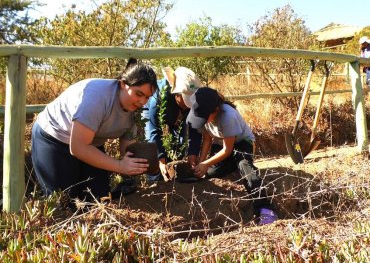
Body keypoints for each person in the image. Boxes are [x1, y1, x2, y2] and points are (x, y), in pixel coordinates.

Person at [31, 58, 158, 201]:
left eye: (147, 97)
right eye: (138, 94)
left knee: (98, 198)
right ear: (123, 84)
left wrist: (135, 163)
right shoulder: (97, 97)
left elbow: (126, 145)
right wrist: (119, 166)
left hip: (91, 143)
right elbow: (78, 147)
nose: (142, 101)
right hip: (55, 136)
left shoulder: (135, 109)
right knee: (63, 200)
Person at [186, 87, 278, 225]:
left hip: (242, 142)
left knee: (244, 165)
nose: (202, 121)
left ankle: (265, 208)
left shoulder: (228, 116)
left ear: (215, 110)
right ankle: (232, 165)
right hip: (221, 142)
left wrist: (206, 164)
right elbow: (207, 140)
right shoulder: (204, 116)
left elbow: (227, 149)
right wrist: (202, 162)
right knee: (212, 173)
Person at [142, 66, 202, 181]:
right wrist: (160, 159)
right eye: (185, 100)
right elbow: (154, 130)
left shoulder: (189, 103)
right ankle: (154, 179)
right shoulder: (158, 97)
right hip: (151, 111)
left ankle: (175, 172)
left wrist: (193, 152)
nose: (188, 104)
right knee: (151, 146)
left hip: (177, 110)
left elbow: (195, 127)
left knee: (180, 142)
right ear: (177, 94)